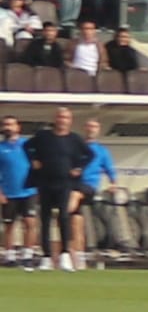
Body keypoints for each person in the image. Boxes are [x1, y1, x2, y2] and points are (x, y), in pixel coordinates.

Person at [27, 106, 92, 272]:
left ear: (70, 121)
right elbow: (26, 147)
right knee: (45, 219)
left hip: (65, 183)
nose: (62, 120)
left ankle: (65, 255)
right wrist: (33, 160)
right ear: (55, 119)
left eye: (66, 118)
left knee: (64, 217)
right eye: (60, 117)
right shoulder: (43, 136)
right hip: (45, 182)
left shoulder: (74, 139)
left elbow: (90, 155)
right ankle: (46, 257)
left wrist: (79, 168)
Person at [70, 117, 117, 269]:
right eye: (89, 126)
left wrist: (113, 183)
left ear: (98, 130)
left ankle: (63, 212)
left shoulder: (101, 151)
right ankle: (78, 258)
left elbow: (110, 169)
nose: (91, 129)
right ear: (85, 128)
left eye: (94, 127)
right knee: (76, 223)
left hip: (88, 186)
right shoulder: (77, 146)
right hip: (74, 185)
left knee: (74, 198)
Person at [0, 115, 38, 268]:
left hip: (28, 191)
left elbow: (37, 165)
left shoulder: (27, 145)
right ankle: (10, 256)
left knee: (30, 223)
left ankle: (27, 255)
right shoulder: (1, 148)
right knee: (9, 225)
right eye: (5, 125)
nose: (8, 127)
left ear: (18, 127)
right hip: (9, 193)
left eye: (11, 124)